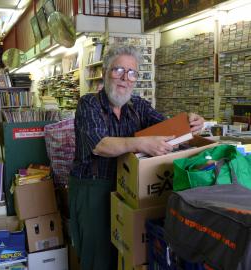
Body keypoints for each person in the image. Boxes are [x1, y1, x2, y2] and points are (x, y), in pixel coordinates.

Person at [69, 45, 204, 270]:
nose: (125, 78)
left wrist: (189, 121)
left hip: (126, 189)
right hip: (92, 191)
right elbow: (100, 145)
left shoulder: (138, 106)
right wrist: (141, 143)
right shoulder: (89, 104)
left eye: (131, 73)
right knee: (97, 257)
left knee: (124, 255)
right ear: (105, 72)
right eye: (118, 70)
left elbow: (167, 126)